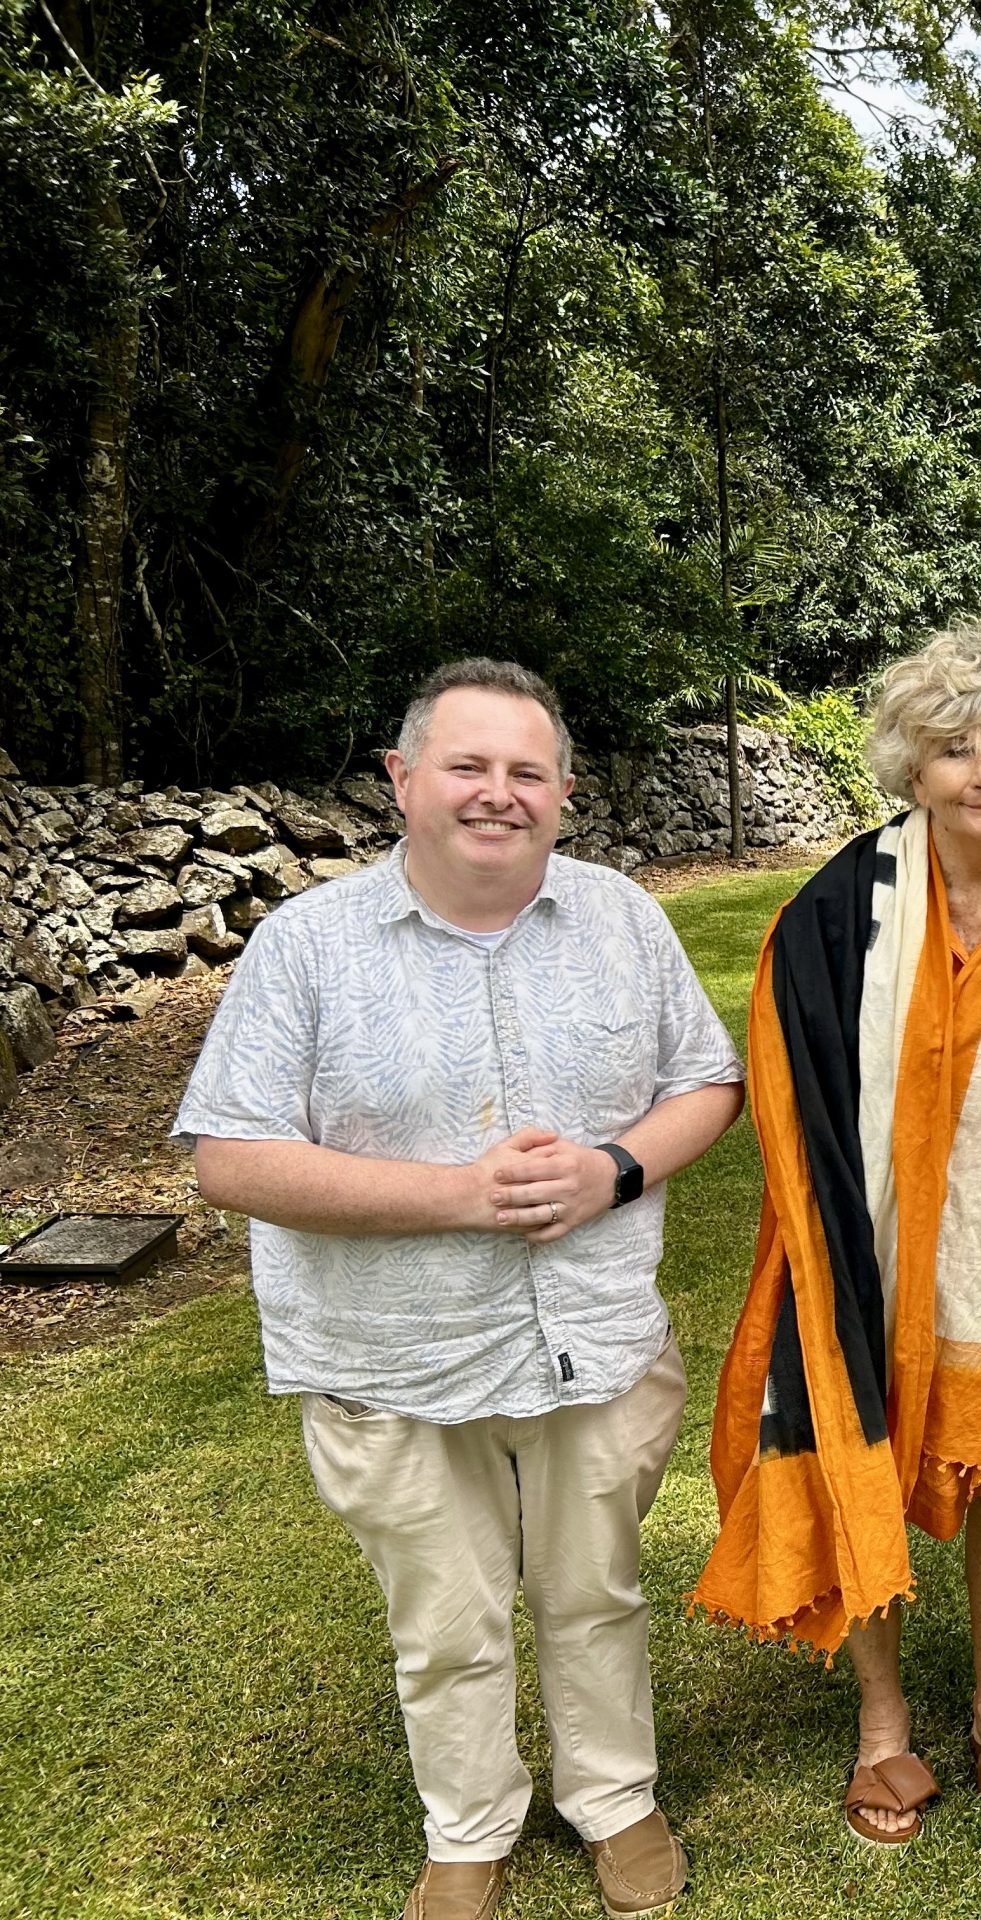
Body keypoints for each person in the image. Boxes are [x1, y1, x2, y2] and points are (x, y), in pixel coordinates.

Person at [178, 658, 745, 1920]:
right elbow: (230, 1155)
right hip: (394, 1354)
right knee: (445, 1620)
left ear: (563, 792)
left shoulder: (622, 919)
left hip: (589, 1339)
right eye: (469, 767)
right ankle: (468, 1827)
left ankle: (614, 1798)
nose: (500, 794)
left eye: (527, 772)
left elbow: (707, 1084)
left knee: (595, 1589)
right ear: (402, 781)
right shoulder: (306, 948)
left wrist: (610, 1170)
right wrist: (461, 1196)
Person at [691, 626, 981, 1848]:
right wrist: (831, 1239)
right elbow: (787, 1084)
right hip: (874, 1245)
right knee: (867, 1442)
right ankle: (882, 1724)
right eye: (955, 750)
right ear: (911, 768)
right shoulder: (837, 911)